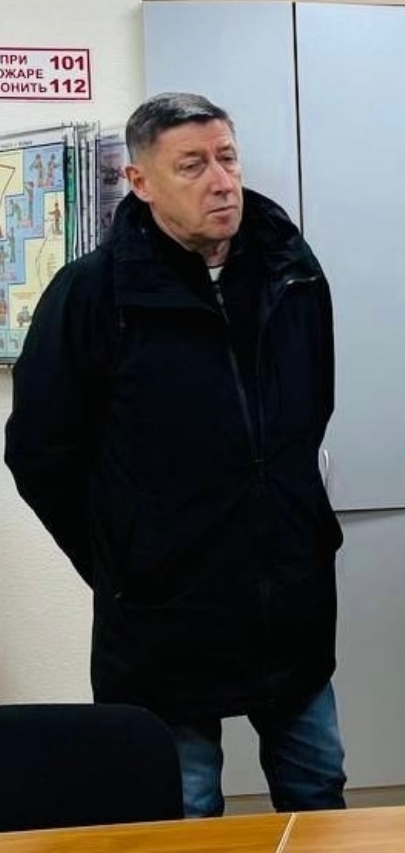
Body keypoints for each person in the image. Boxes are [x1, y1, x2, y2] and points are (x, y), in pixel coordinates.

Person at [5, 92, 347, 816]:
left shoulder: (292, 271)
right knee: (181, 807)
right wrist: (120, 556)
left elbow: (309, 412)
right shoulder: (94, 293)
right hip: (163, 613)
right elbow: (39, 451)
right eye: (192, 166)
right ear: (140, 182)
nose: (222, 181)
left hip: (289, 594)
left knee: (317, 792)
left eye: (228, 158)